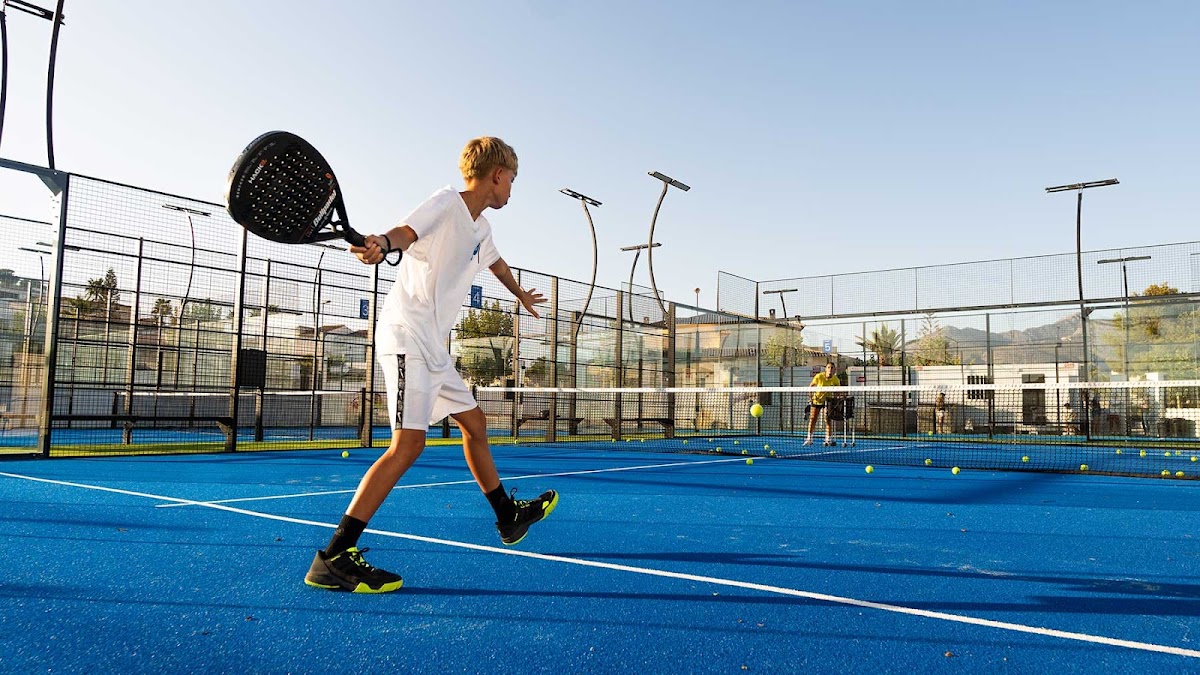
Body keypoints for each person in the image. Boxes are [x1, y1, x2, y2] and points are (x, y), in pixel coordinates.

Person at [305, 137, 556, 594]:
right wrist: (383, 242)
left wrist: (519, 293)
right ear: (497, 175)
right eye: (512, 180)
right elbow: (406, 232)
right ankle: (335, 556)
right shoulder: (445, 203)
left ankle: (507, 517)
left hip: (433, 348)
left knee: (475, 424)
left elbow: (496, 264)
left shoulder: (482, 229)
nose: (511, 189)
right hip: (406, 337)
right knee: (408, 446)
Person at [804, 361, 840, 446]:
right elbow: (811, 386)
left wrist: (835, 400)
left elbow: (837, 392)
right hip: (816, 401)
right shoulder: (819, 376)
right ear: (825, 369)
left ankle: (828, 439)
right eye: (828, 367)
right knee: (813, 419)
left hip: (827, 401)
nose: (830, 369)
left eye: (832, 368)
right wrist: (811, 397)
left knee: (827, 419)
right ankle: (809, 439)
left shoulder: (836, 380)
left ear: (834, 370)